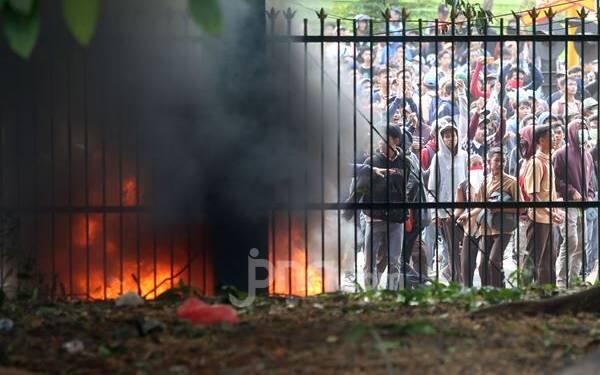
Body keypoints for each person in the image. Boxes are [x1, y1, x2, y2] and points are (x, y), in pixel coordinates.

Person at [360, 125, 412, 289]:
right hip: (375, 217)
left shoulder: (405, 162)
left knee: (394, 259)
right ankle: (370, 292)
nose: (381, 142)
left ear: (396, 141)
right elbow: (362, 187)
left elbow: (408, 186)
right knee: (369, 259)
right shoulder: (372, 162)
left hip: (397, 219)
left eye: (385, 139)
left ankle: (392, 293)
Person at [470, 148, 521, 287]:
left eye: (502, 161)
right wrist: (467, 215)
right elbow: (480, 205)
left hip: (504, 227)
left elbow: (522, 207)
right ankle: (488, 293)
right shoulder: (485, 181)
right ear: (489, 162)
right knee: (482, 266)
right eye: (496, 160)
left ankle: (499, 295)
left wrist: (499, 208)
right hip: (486, 227)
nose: (500, 163)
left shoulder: (511, 182)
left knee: (493, 261)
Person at [553, 120, 595, 288]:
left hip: (583, 205)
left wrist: (589, 195)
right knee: (571, 239)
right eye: (580, 129)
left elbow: (590, 181)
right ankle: (561, 282)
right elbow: (556, 180)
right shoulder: (560, 154)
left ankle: (574, 280)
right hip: (567, 203)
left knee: (581, 243)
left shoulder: (588, 155)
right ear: (571, 131)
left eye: (585, 128)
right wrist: (571, 191)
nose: (583, 131)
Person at [427, 121, 468, 282]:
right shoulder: (438, 158)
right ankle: (456, 280)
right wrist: (434, 213)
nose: (451, 138)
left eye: (453, 135)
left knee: (465, 247)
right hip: (445, 212)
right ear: (442, 139)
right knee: (452, 249)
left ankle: (451, 272)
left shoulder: (464, 155)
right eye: (447, 136)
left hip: (464, 209)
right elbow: (432, 188)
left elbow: (467, 181)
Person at [523, 124, 565, 285]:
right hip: (539, 218)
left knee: (549, 260)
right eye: (551, 136)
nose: (555, 138)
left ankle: (547, 293)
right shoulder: (536, 163)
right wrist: (550, 212)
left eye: (555, 135)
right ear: (541, 140)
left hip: (549, 218)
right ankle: (524, 293)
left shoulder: (548, 160)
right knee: (532, 259)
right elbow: (532, 195)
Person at [455, 155, 484, 286]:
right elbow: (458, 207)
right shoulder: (463, 185)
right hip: (470, 227)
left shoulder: (488, 182)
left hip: (487, 227)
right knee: (466, 264)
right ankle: (468, 290)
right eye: (473, 164)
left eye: (479, 164)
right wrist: (453, 217)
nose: (477, 167)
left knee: (486, 265)